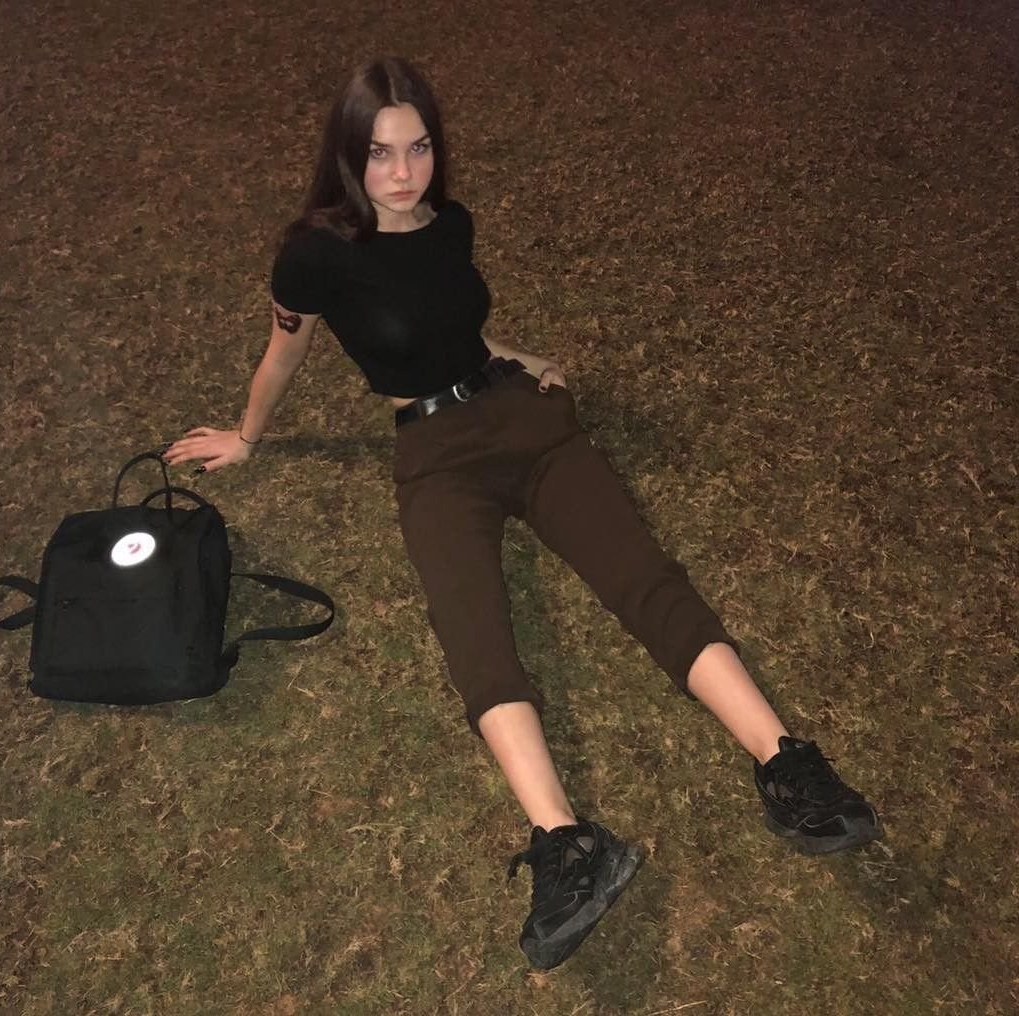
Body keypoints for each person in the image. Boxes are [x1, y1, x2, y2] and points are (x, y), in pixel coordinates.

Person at [164, 57, 882, 971]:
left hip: (525, 422)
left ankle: (785, 763)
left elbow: (455, 324)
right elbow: (284, 355)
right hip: (433, 457)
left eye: (419, 148)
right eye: (380, 153)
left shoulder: (451, 223)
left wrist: (521, 356)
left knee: (643, 578)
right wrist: (247, 435)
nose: (403, 172)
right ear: (348, 155)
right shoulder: (313, 255)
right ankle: (567, 843)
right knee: (473, 631)